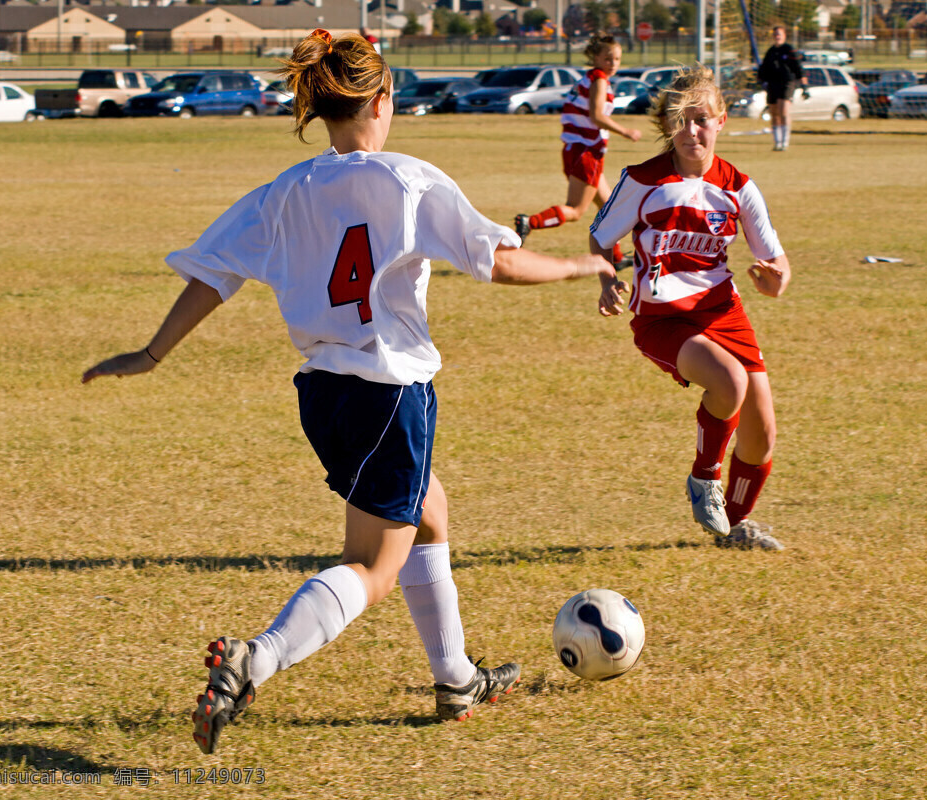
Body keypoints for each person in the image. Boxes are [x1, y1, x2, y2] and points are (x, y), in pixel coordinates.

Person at [81, 30, 613, 754]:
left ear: (324, 106)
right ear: (383, 99)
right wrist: (587, 267)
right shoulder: (409, 179)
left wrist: (150, 352)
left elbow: (214, 272)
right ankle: (255, 659)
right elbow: (501, 263)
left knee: (429, 507)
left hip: (323, 395)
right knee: (371, 565)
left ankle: (456, 678)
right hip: (388, 393)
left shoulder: (286, 189)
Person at [589, 66, 791, 551]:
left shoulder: (739, 186)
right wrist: (605, 279)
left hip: (724, 311)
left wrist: (776, 279)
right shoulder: (642, 180)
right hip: (663, 319)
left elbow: (776, 261)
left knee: (762, 432)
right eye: (680, 121)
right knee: (729, 382)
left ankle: (734, 528)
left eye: (701, 119)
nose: (691, 131)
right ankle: (704, 479)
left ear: (721, 120)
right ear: (667, 125)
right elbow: (599, 241)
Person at [514, 34, 642, 266]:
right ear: (596, 58)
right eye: (608, 58)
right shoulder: (599, 80)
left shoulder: (589, 78)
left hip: (575, 149)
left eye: (617, 59)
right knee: (575, 210)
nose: (613, 64)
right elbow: (597, 116)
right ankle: (529, 223)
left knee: (609, 207)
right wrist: (626, 131)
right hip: (587, 152)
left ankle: (617, 258)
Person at [756, 26, 806, 151]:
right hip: (773, 83)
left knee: (783, 111)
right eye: (775, 34)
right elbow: (764, 68)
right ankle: (777, 142)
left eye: (779, 34)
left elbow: (798, 68)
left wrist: (804, 85)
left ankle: (785, 142)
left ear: (784, 35)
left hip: (786, 83)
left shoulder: (789, 50)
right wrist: (761, 79)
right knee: (774, 113)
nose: (777, 36)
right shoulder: (771, 51)